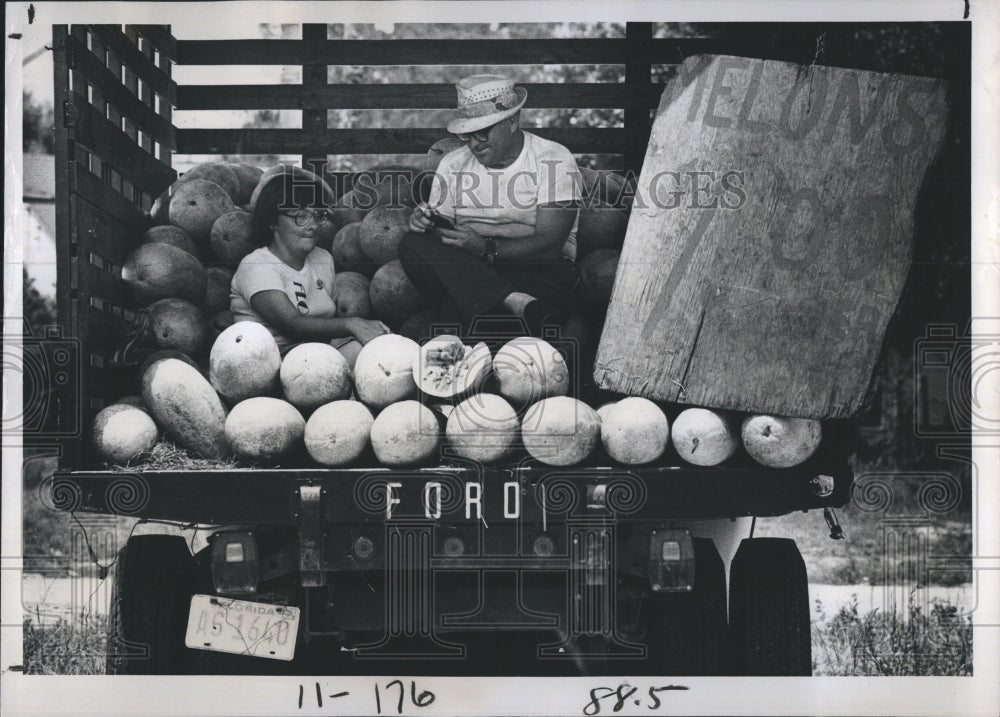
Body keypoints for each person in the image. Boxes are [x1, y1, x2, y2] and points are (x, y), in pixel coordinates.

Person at [398, 74, 583, 337]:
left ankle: (497, 311)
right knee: (411, 243)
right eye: (467, 135)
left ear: (512, 121)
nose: (474, 143)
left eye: (483, 132)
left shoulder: (553, 159)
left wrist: (487, 249)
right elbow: (441, 236)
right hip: (473, 271)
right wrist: (425, 221)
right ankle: (514, 302)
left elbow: (550, 246)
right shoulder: (453, 163)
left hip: (537, 270)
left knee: (463, 323)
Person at [230, 171, 389, 364]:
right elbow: (292, 324)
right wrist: (352, 324)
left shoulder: (323, 259)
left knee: (383, 350)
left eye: (318, 215)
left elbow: (326, 328)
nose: (312, 225)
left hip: (316, 357)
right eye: (301, 216)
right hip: (265, 364)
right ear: (273, 221)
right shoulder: (256, 265)